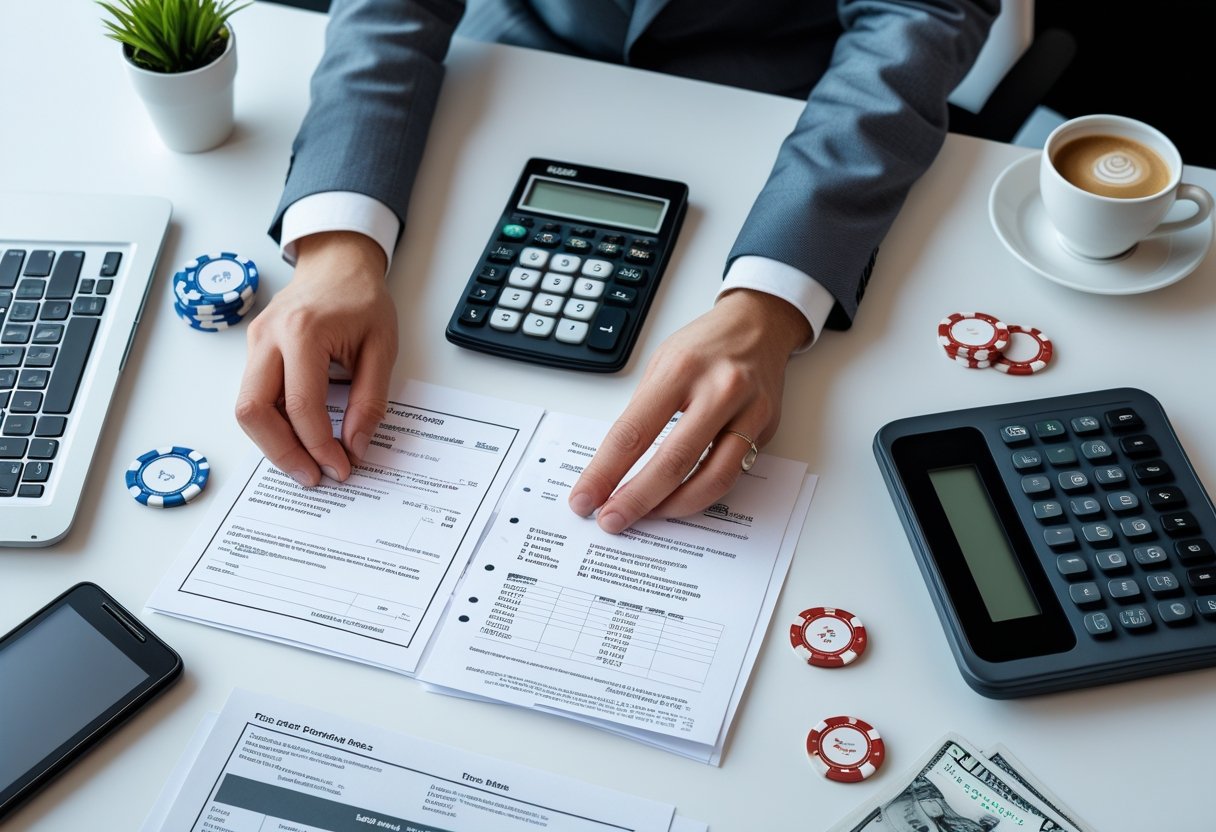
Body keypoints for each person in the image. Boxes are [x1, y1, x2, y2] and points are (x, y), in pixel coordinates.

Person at [236, 0, 997, 533]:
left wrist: (772, 301)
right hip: (518, 55)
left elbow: (918, 15)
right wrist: (337, 244)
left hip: (777, 105)